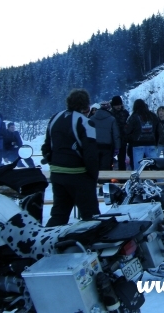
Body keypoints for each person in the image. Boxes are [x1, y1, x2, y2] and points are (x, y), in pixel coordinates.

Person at [42, 89, 99, 226]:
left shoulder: (55, 117)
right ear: (86, 105)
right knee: (92, 216)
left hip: (57, 173)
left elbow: (46, 147)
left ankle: (49, 243)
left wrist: (53, 164)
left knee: (59, 214)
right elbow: (90, 154)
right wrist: (92, 177)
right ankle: (90, 245)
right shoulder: (86, 122)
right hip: (79, 176)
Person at [125, 99, 161, 166]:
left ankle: (139, 176)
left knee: (138, 166)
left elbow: (127, 132)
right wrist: (155, 142)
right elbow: (158, 130)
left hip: (137, 144)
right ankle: (157, 176)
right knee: (155, 165)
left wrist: (131, 141)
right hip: (151, 143)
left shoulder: (133, 117)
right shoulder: (153, 116)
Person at [91, 102, 120, 171]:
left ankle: (95, 181)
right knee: (105, 168)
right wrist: (117, 147)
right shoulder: (112, 119)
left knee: (95, 166)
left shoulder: (92, 118)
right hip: (107, 147)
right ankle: (104, 181)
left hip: (94, 146)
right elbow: (116, 135)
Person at [110, 95, 130, 170]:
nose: (118, 106)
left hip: (123, 140)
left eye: (119, 104)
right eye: (116, 105)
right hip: (112, 140)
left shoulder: (125, 113)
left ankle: (122, 178)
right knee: (110, 160)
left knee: (122, 160)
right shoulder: (110, 114)